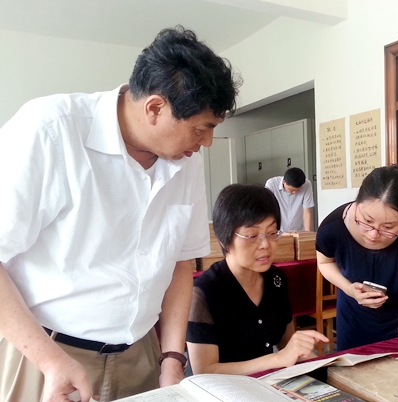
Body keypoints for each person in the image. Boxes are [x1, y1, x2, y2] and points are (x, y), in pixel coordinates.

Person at [0, 26, 240, 402]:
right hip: (47, 354)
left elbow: (180, 262)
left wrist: (172, 358)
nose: (207, 142)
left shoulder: (185, 159)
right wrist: (50, 362)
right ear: (155, 108)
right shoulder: (49, 130)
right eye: (200, 129)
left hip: (141, 355)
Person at [186, 184, 327, 375]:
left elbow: (287, 345)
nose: (265, 245)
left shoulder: (276, 280)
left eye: (272, 233)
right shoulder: (204, 293)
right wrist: (277, 359)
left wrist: (322, 366)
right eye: (252, 236)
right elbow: (205, 371)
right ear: (223, 238)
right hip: (223, 389)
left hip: (268, 383)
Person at [315, 165, 398, 350]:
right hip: (353, 323)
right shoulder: (333, 227)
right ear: (358, 197)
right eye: (367, 221)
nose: (373, 235)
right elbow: (324, 262)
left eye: (388, 227)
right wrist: (349, 288)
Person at [265, 167, 315, 232]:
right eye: (292, 190)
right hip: (278, 231)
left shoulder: (306, 185)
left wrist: (308, 234)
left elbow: (307, 212)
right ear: (284, 182)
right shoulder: (272, 184)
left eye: (298, 190)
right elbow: (268, 211)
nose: (295, 192)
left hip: (298, 231)